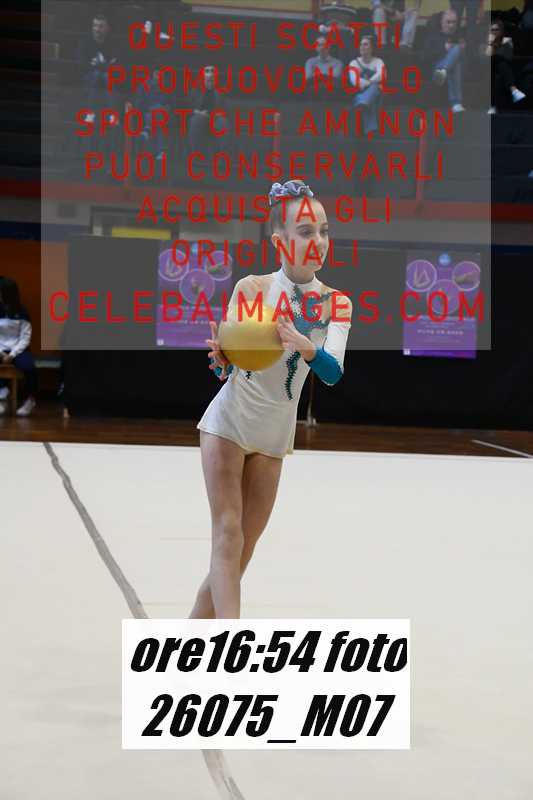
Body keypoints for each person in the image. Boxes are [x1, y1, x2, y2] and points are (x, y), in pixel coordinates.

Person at [191, 179, 353, 619]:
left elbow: (333, 373)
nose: (318, 241)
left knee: (239, 554)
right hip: (229, 422)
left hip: (274, 436)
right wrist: (222, 357)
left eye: (324, 231)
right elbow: (229, 367)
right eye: (306, 231)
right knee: (228, 536)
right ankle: (231, 645)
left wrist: (306, 346)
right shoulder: (253, 289)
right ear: (280, 240)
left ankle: (187, 638)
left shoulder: (336, 304)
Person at [0, 277, 38, 417]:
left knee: (29, 367)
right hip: (1, 350)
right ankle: (2, 395)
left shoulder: (22, 311)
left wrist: (12, 354)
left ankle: (30, 399)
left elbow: (25, 338)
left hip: (18, 350)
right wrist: (1, 353)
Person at [77, 14, 120, 120]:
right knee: (97, 75)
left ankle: (112, 114)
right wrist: (104, 65)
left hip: (108, 76)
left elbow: (116, 65)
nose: (97, 29)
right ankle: (90, 113)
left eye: (101, 26)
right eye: (95, 25)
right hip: (89, 76)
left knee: (107, 76)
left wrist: (97, 65)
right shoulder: (85, 43)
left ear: (107, 28)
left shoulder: (113, 43)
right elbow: (82, 65)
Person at [423, 9, 466, 113]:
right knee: (456, 52)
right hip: (435, 71)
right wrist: (443, 49)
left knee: (456, 60)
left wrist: (463, 51)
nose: (451, 25)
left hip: (452, 72)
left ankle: (444, 70)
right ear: (441, 22)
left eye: (454, 22)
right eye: (448, 22)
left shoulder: (459, 37)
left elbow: (466, 62)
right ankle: (456, 103)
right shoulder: (433, 36)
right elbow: (424, 57)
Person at [483, 20, 526, 113]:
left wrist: (498, 48)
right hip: (490, 69)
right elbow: (487, 57)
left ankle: (493, 106)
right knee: (494, 65)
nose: (493, 32)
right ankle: (513, 90)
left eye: (496, 29)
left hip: (506, 69)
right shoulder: (486, 42)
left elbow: (508, 56)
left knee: (501, 63)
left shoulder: (507, 40)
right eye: (491, 30)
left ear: (501, 30)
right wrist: (490, 43)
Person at [348, 35, 386, 135]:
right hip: (359, 93)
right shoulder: (354, 63)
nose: (362, 47)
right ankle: (371, 129)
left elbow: (382, 75)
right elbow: (354, 80)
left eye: (365, 44)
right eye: (361, 44)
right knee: (371, 95)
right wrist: (371, 82)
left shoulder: (378, 61)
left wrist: (368, 82)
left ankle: (363, 101)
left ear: (372, 48)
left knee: (374, 88)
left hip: (376, 94)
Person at [188, 66, 227, 156]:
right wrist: (198, 112)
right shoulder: (195, 91)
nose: (210, 80)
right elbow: (188, 106)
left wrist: (220, 114)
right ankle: (195, 153)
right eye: (208, 79)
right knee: (195, 120)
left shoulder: (221, 92)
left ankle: (220, 153)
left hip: (215, 117)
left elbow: (225, 108)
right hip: (201, 115)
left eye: (212, 79)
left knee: (223, 122)